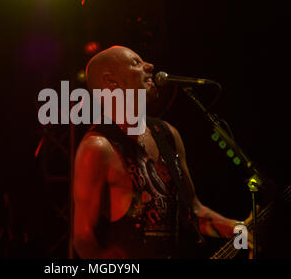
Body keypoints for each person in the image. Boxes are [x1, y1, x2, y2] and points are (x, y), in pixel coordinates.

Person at [73, 45, 252, 259]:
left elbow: (193, 213)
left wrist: (240, 230)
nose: (150, 66)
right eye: (135, 63)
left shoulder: (167, 134)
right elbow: (83, 239)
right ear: (111, 81)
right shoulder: (97, 147)